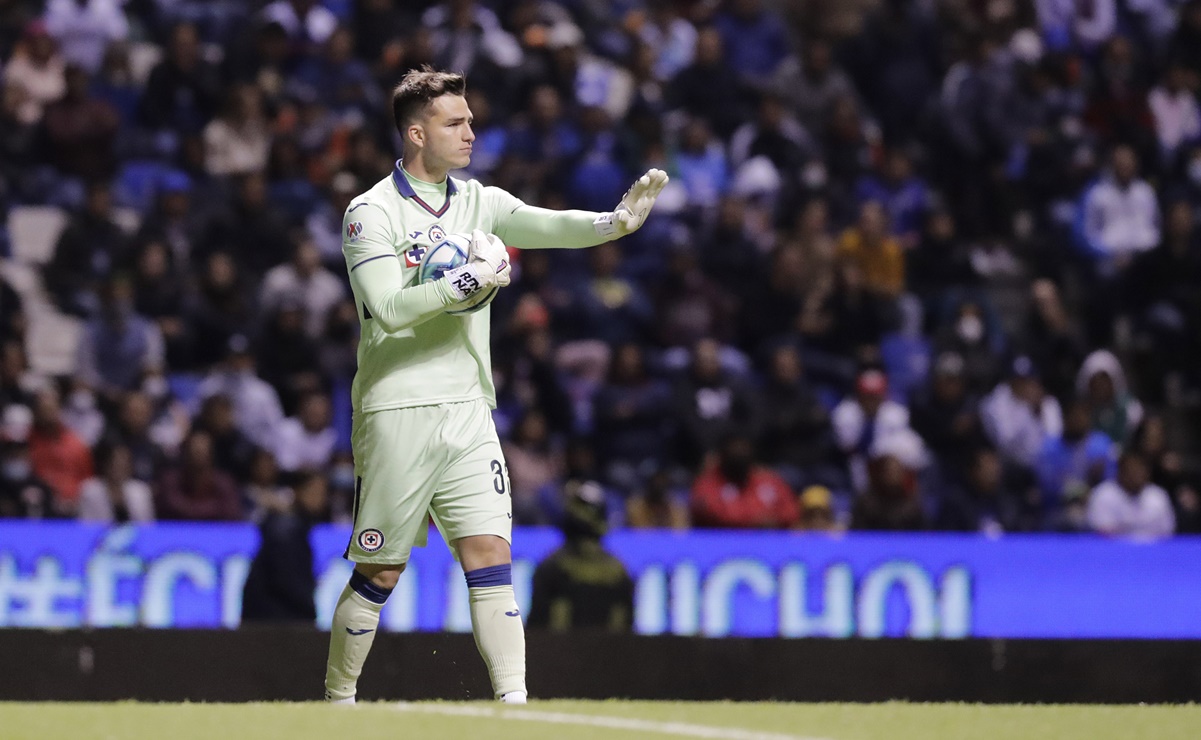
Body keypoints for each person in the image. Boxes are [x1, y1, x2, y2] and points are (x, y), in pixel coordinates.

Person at [323, 68, 667, 706]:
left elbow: (549, 225)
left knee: (490, 558)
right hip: (397, 405)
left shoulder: (479, 201)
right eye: (456, 123)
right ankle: (338, 703)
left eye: (472, 121)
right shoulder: (370, 211)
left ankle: (514, 706)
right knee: (380, 569)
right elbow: (387, 308)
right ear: (417, 133)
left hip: (470, 409)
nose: (471, 133)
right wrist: (468, 280)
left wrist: (616, 224)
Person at [527, 480, 634, 633]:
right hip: (596, 654)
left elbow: (535, 625)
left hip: (570, 654)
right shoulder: (619, 570)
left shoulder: (551, 567)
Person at [241, 471, 330, 623]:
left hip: (275, 619)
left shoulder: (296, 527)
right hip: (275, 622)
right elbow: (287, 579)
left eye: (323, 492)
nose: (319, 498)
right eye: (314, 491)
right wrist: (309, 608)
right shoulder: (286, 530)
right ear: (298, 491)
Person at [691, 432, 799, 529]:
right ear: (722, 455)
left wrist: (775, 520)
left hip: (769, 542)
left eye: (743, 450)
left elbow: (791, 511)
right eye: (735, 450)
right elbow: (708, 511)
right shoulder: (707, 482)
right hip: (722, 542)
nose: (739, 455)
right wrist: (753, 522)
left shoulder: (768, 480)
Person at [1087, 451, 1176, 539]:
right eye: (1132, 471)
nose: (1137, 476)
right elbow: (1102, 533)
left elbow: (1167, 533)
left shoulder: (1158, 495)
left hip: (1152, 550)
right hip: (1114, 551)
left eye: (1141, 471)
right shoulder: (1104, 493)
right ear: (1121, 472)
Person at [77, 442, 154, 523]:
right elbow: (86, 526)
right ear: (107, 464)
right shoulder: (90, 491)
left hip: (136, 535)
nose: (121, 467)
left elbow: (148, 526)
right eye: (117, 463)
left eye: (125, 463)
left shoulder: (141, 491)